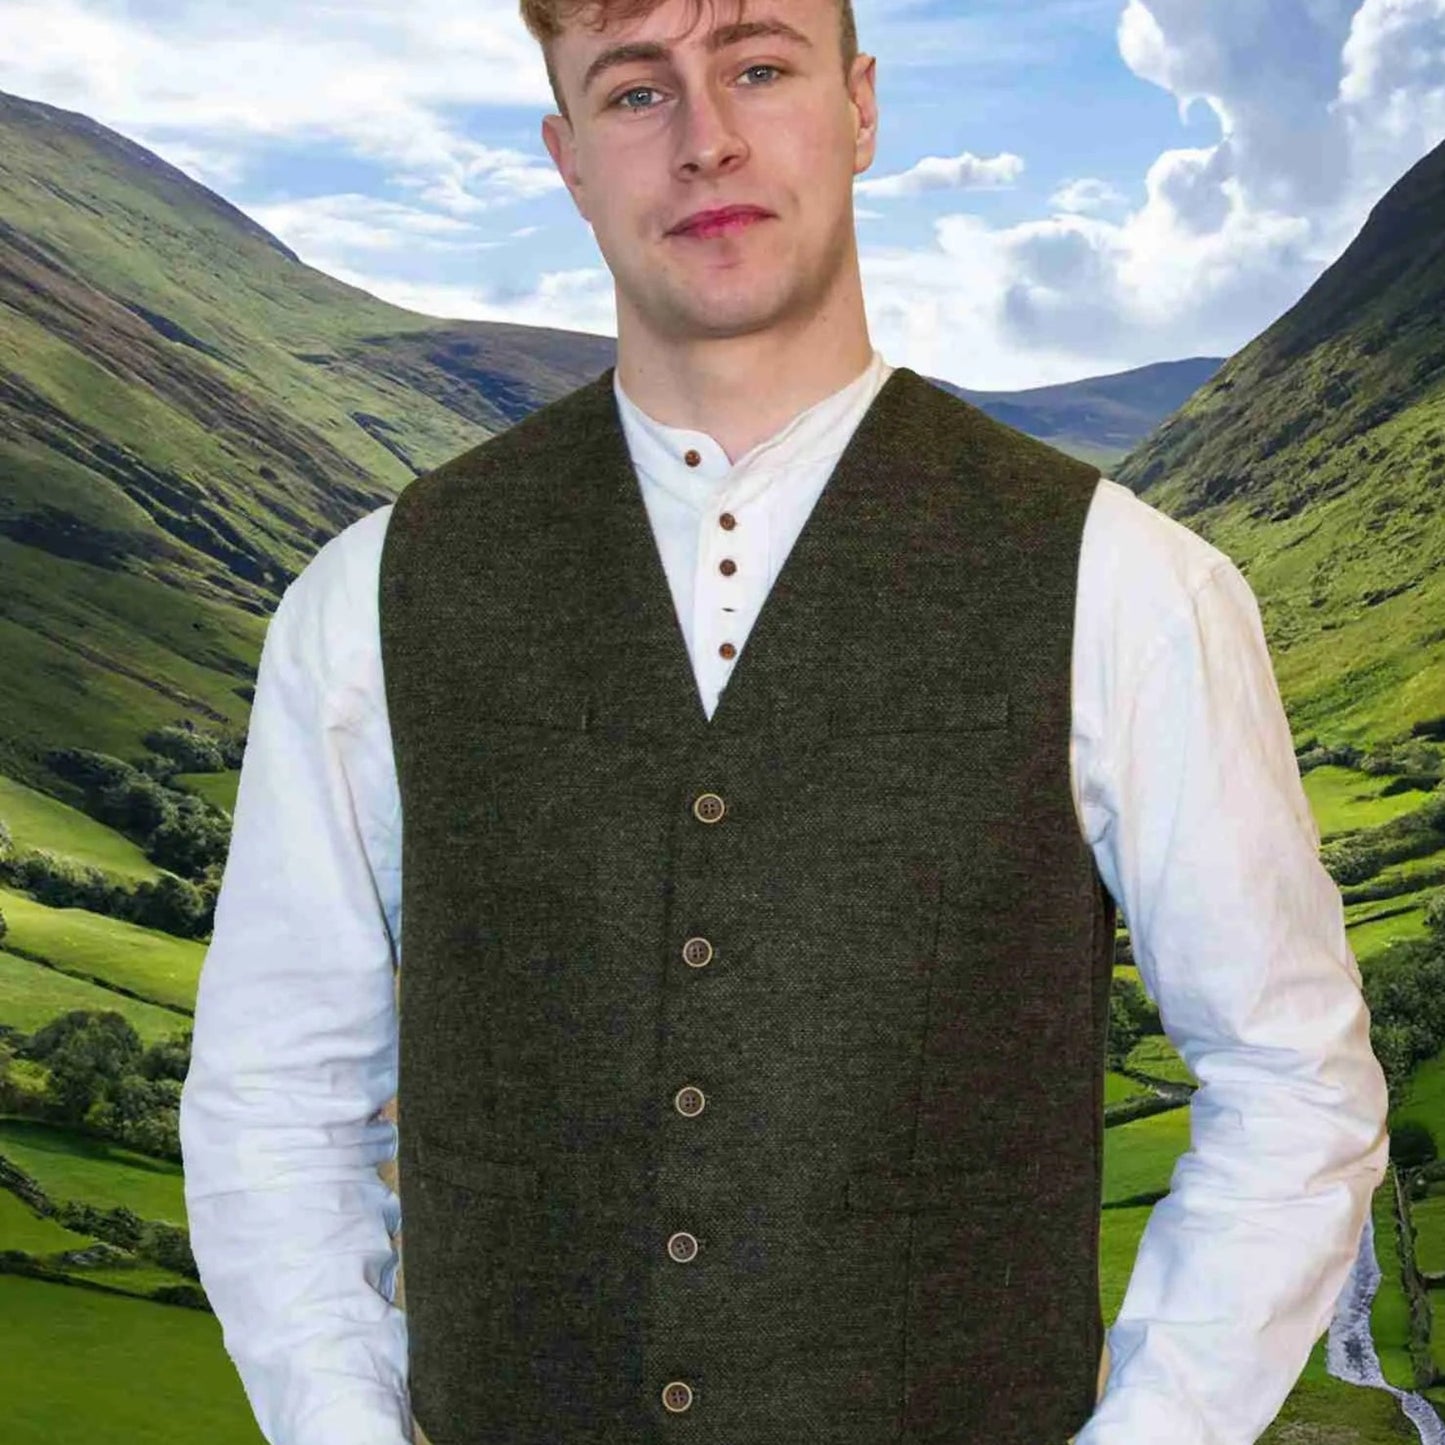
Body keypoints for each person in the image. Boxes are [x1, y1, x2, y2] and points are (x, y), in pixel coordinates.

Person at [177, 1, 1391, 1442]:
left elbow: (1291, 1079)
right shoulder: (370, 598)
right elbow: (276, 1103)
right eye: (637, 93)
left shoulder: (1129, 585)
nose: (707, 140)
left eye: (758, 68)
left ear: (860, 107)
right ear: (568, 157)